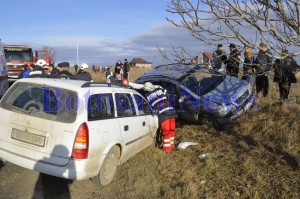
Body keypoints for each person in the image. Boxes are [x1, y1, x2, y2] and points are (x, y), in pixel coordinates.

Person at [143, 82, 177, 152]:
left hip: (163, 114)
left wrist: (152, 111)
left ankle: (167, 149)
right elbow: (166, 94)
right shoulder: (159, 90)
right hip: (171, 111)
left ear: (145, 89)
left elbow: (146, 108)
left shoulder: (146, 96)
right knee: (172, 130)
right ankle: (171, 146)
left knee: (166, 132)